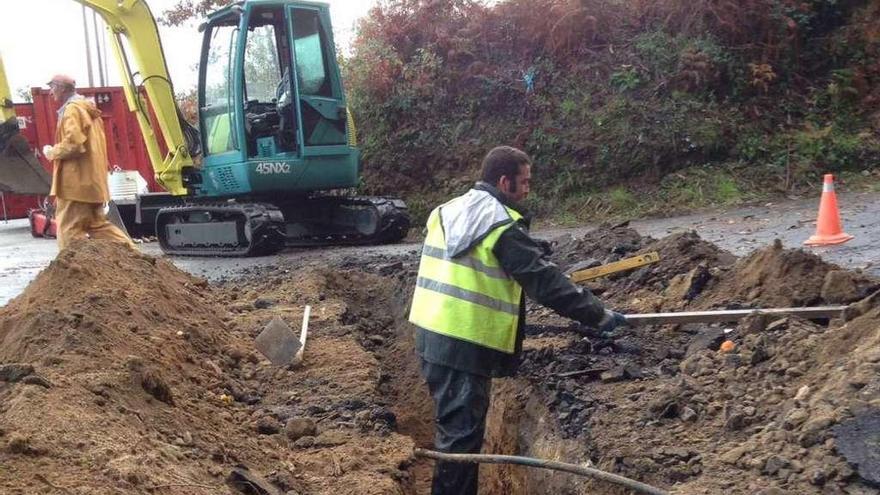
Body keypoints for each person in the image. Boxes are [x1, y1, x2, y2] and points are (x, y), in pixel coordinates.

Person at [408, 145, 628, 495]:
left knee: (453, 432)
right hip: (464, 343)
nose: (528, 189)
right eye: (524, 182)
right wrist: (596, 314)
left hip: (431, 333)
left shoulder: (446, 211)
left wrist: (526, 245)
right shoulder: (500, 224)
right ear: (504, 180)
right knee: (461, 444)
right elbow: (544, 282)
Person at [42, 74, 133, 250]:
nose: (50, 92)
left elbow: (74, 144)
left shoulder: (72, 110)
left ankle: (72, 271)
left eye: (52, 87)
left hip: (75, 185)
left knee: (69, 229)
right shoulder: (88, 110)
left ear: (61, 88)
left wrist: (51, 152)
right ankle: (137, 258)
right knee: (98, 226)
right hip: (93, 184)